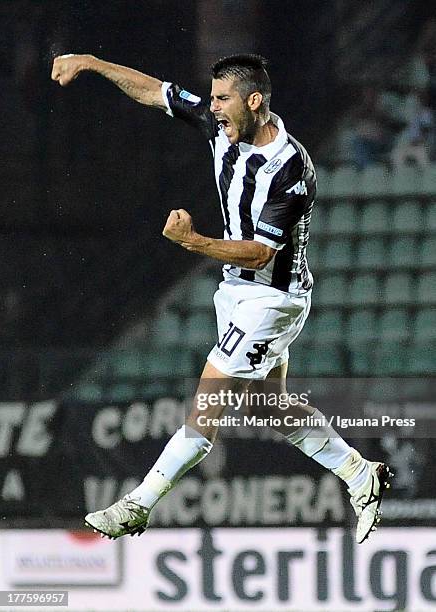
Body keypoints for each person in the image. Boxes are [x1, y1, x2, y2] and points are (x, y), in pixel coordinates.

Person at [51, 53, 393, 544]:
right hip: (236, 292)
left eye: (222, 99)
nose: (212, 108)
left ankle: (137, 505)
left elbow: (259, 253)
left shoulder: (290, 167)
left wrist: (193, 242)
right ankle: (361, 474)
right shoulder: (221, 129)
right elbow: (156, 90)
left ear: (254, 102)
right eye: (211, 99)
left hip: (270, 300)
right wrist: (90, 62)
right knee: (269, 408)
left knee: (205, 410)